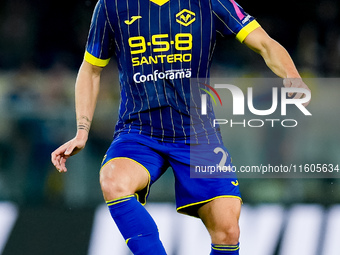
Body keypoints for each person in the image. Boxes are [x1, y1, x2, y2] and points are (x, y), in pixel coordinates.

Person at [51, 0, 311, 254]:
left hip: (197, 134)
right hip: (139, 130)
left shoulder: (209, 3)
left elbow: (265, 43)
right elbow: (91, 69)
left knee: (228, 230)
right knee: (113, 179)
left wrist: (292, 76)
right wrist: (82, 131)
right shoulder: (112, 6)